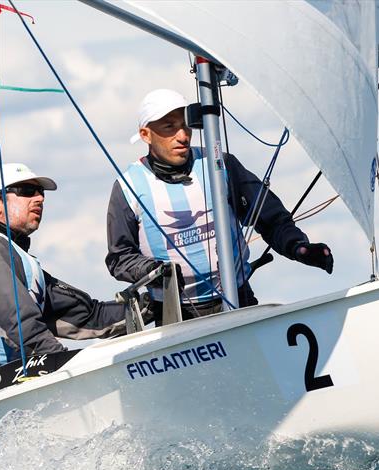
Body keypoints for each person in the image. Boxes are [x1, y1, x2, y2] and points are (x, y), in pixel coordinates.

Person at [0, 163, 142, 415]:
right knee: (87, 366)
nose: (38, 199)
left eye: (41, 194)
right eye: (26, 191)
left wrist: (150, 307)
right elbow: (11, 311)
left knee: (112, 357)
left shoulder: (24, 262)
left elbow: (88, 316)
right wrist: (58, 362)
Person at [106, 89, 333, 323]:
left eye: (186, 126)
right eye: (169, 127)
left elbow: (270, 217)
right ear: (146, 134)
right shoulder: (128, 186)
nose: (183, 135)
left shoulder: (219, 165)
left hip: (237, 299)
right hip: (174, 315)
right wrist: (151, 271)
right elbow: (119, 258)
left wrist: (297, 246)